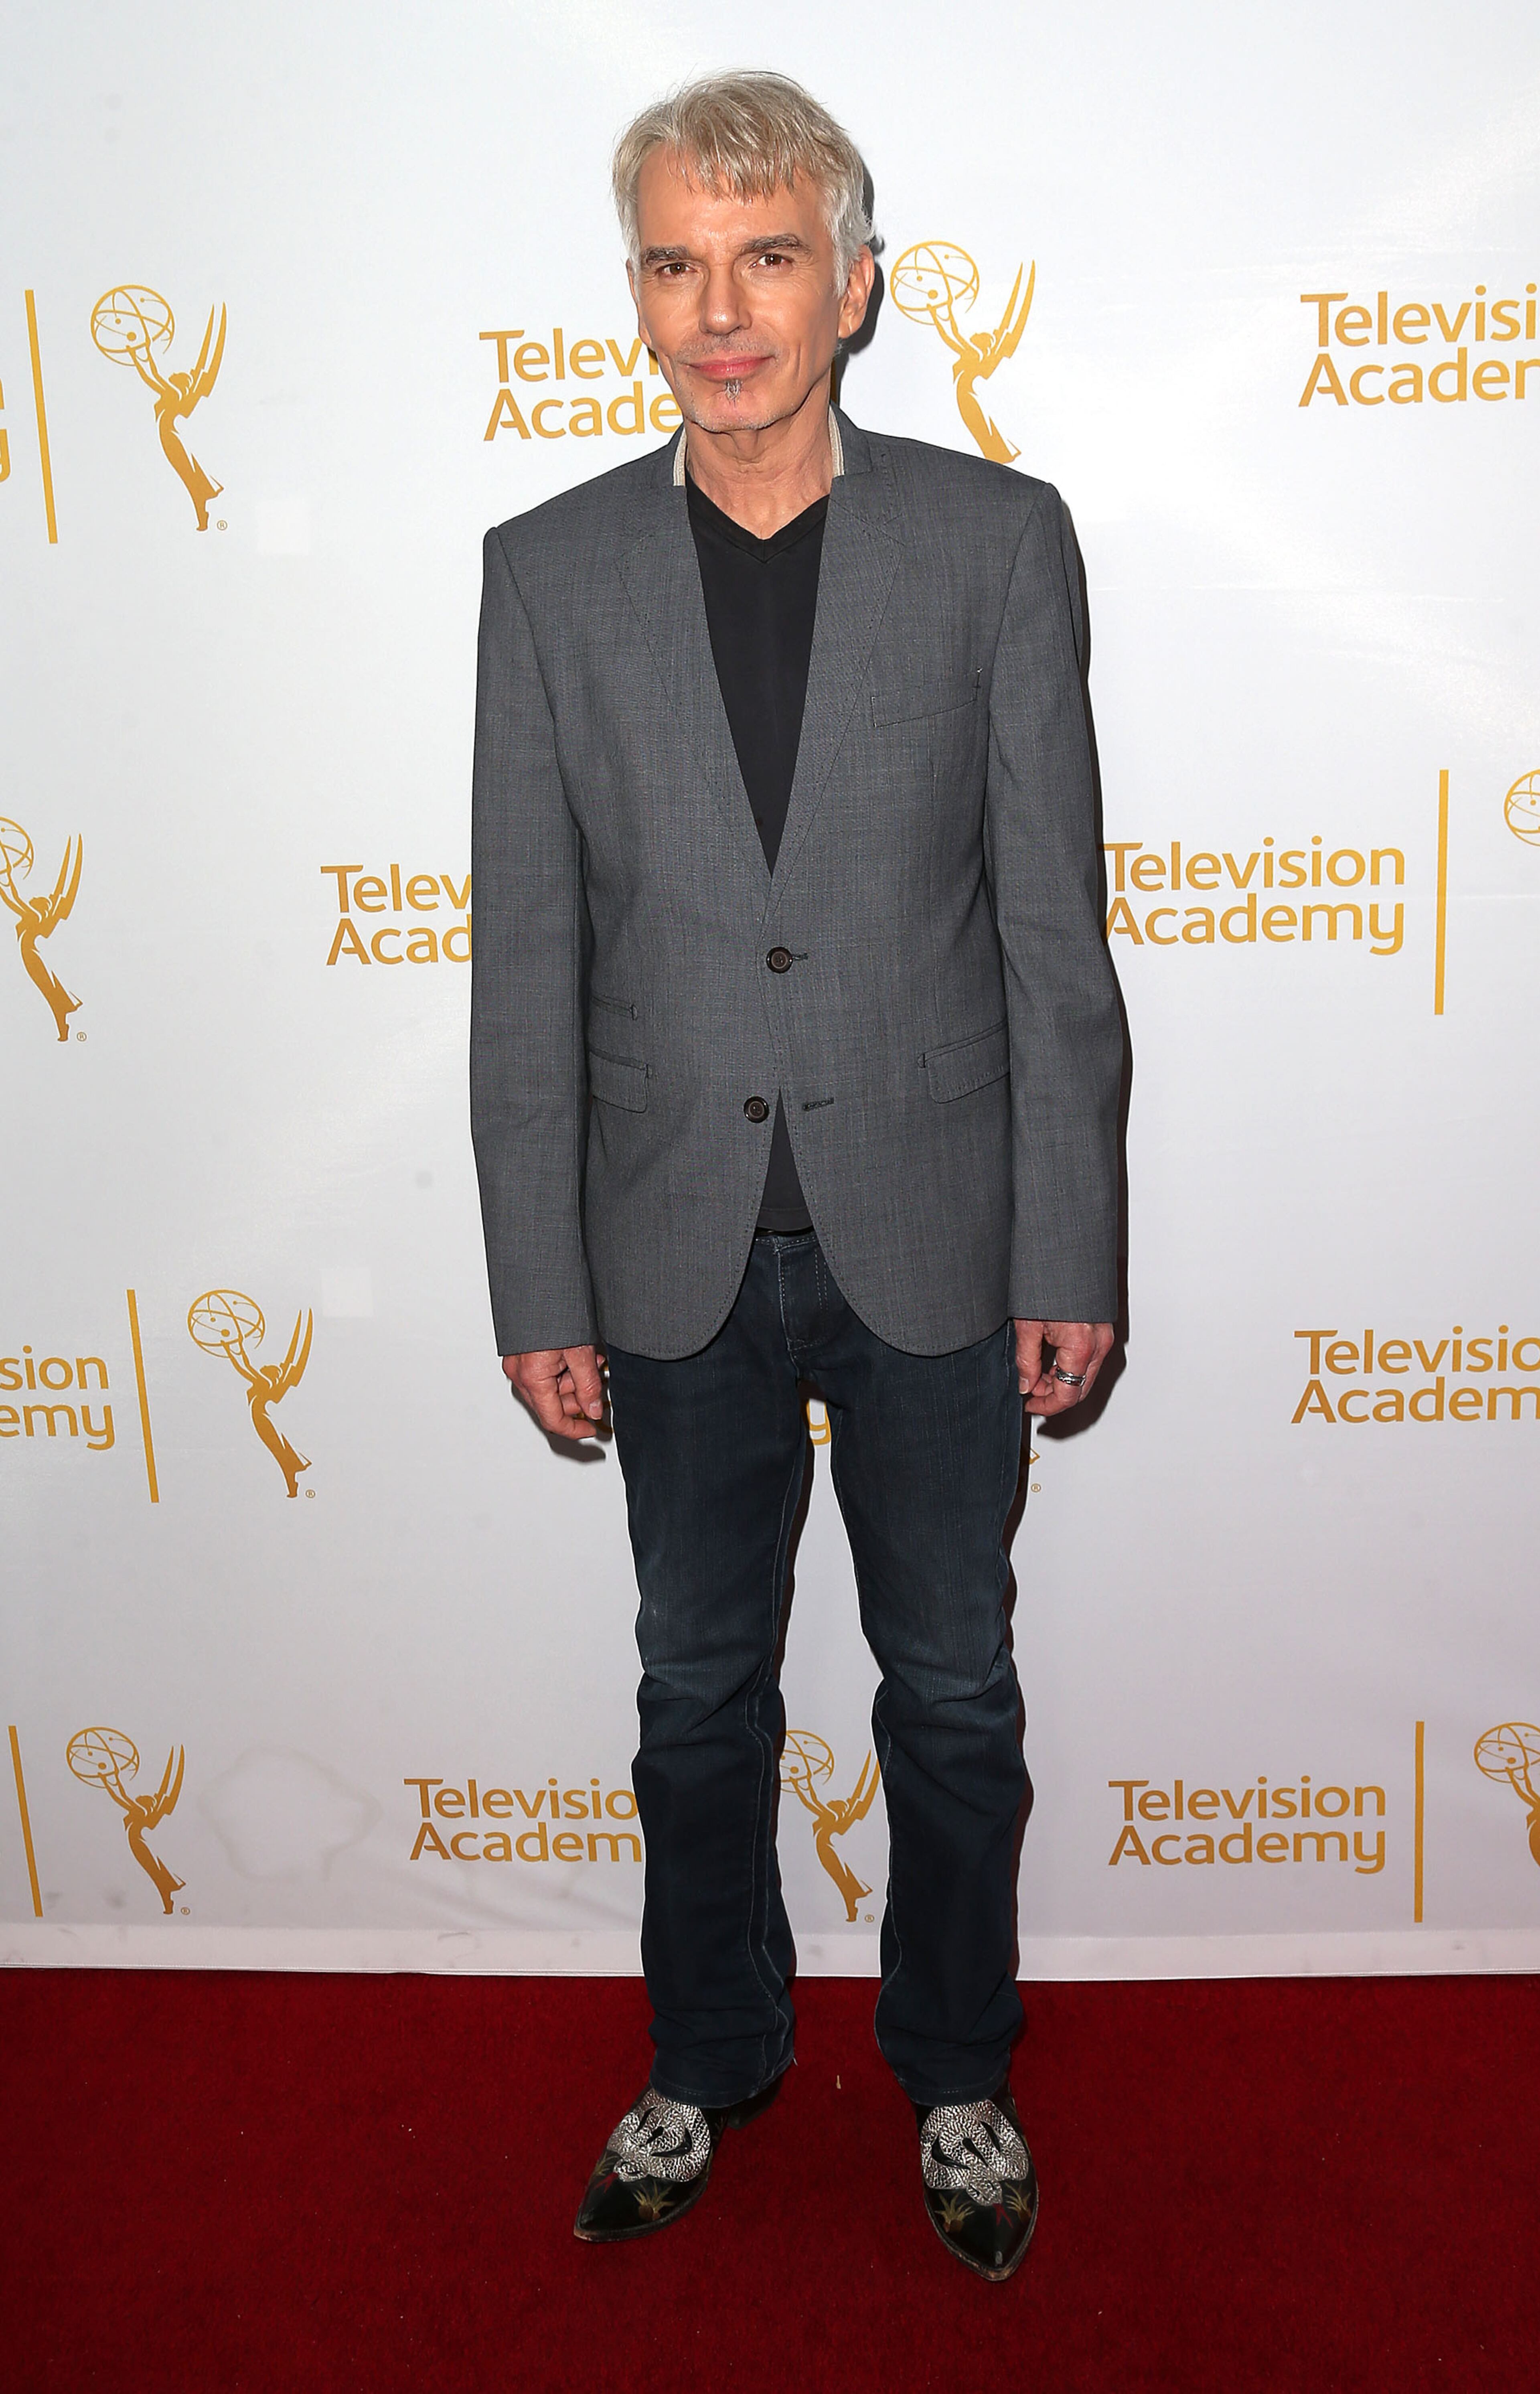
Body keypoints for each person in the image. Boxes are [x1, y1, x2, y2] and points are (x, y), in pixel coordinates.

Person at [470, 71, 1121, 2283]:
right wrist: (531, 1272)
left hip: (938, 1223)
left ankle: (956, 2069)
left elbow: (1052, 932)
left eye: (765, 258)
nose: (718, 309)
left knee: (949, 1688)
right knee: (693, 1694)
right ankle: (711, 2044)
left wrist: (1073, 1237)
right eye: (674, 259)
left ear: (857, 283)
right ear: (637, 292)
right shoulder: (543, 575)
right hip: (664, 1247)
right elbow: (523, 961)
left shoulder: (996, 544)